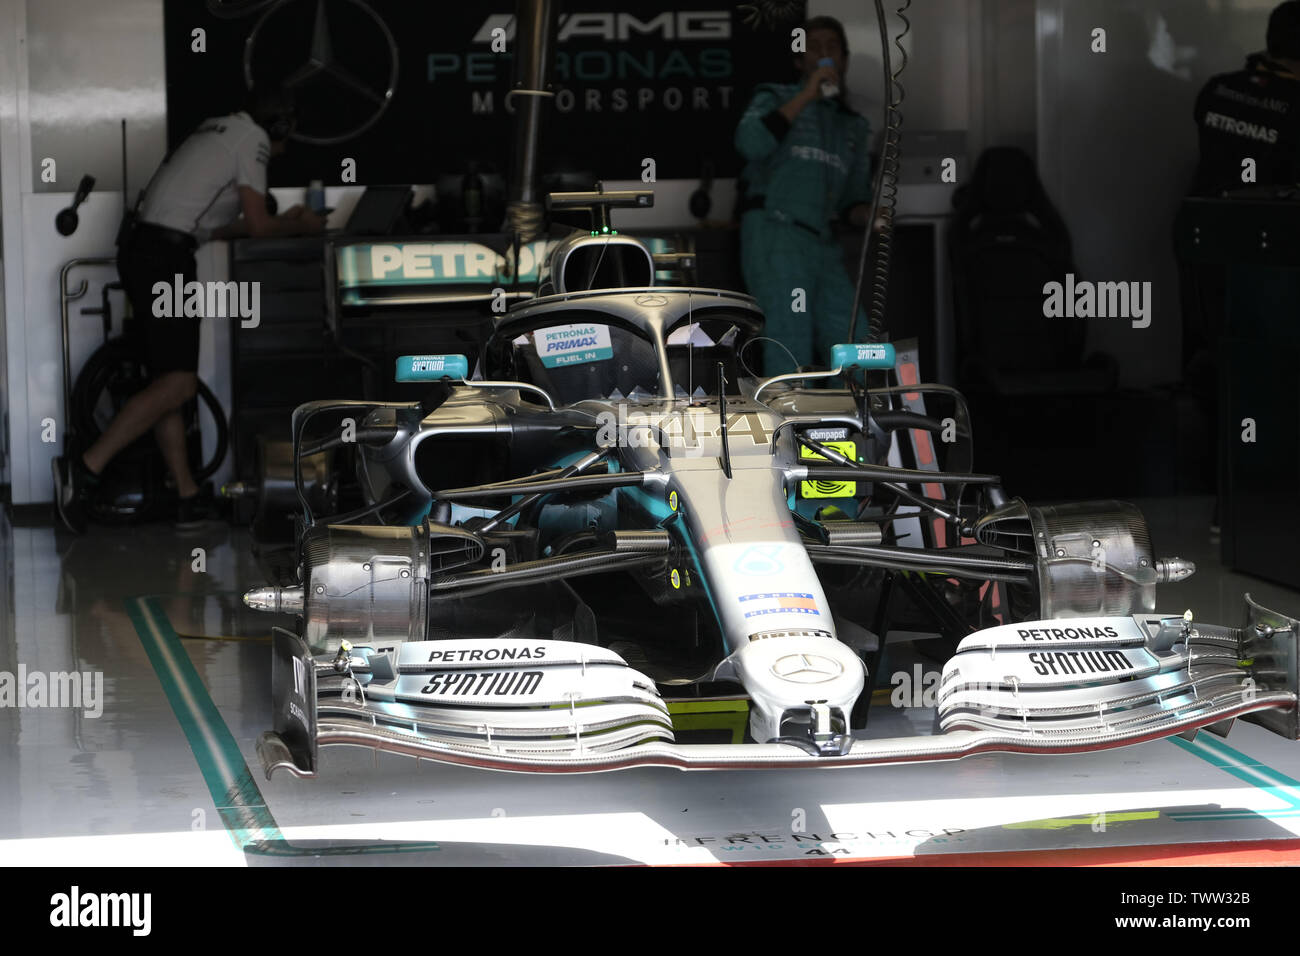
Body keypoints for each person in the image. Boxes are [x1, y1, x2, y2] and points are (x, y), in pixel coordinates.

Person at [52, 87, 325, 534]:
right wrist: (301, 226)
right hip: (164, 257)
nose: (284, 144)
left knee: (167, 380)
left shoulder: (219, 129)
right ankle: (84, 468)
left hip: (147, 249)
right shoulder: (251, 139)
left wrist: (286, 224)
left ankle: (186, 497)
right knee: (179, 384)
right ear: (278, 126)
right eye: (287, 133)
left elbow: (215, 229)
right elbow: (257, 225)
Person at [734, 15, 875, 374]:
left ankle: (853, 428)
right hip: (775, 232)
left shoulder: (853, 126)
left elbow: (852, 202)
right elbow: (749, 142)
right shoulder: (775, 97)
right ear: (799, 61)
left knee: (856, 344)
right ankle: (787, 430)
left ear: (844, 60)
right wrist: (807, 94)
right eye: (814, 48)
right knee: (788, 342)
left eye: (832, 48)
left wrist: (872, 215)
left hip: (823, 242)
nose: (824, 55)